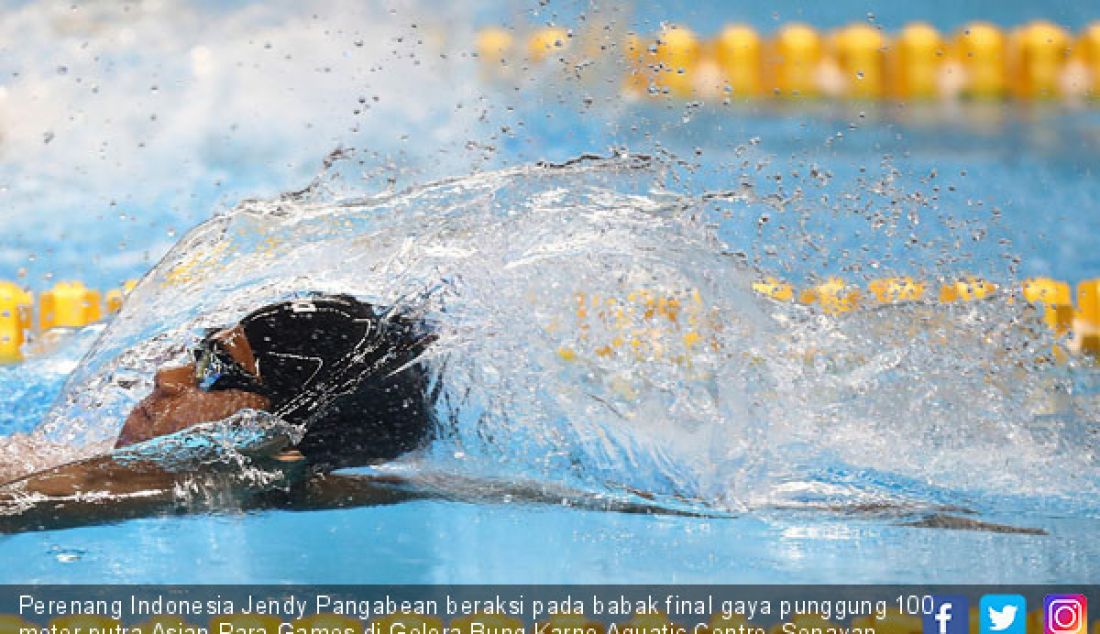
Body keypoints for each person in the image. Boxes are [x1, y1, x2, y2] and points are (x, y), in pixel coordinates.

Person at [0, 294, 437, 519]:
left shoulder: (237, 478)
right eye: (202, 354)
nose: (166, 378)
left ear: (271, 427)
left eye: (215, 371)